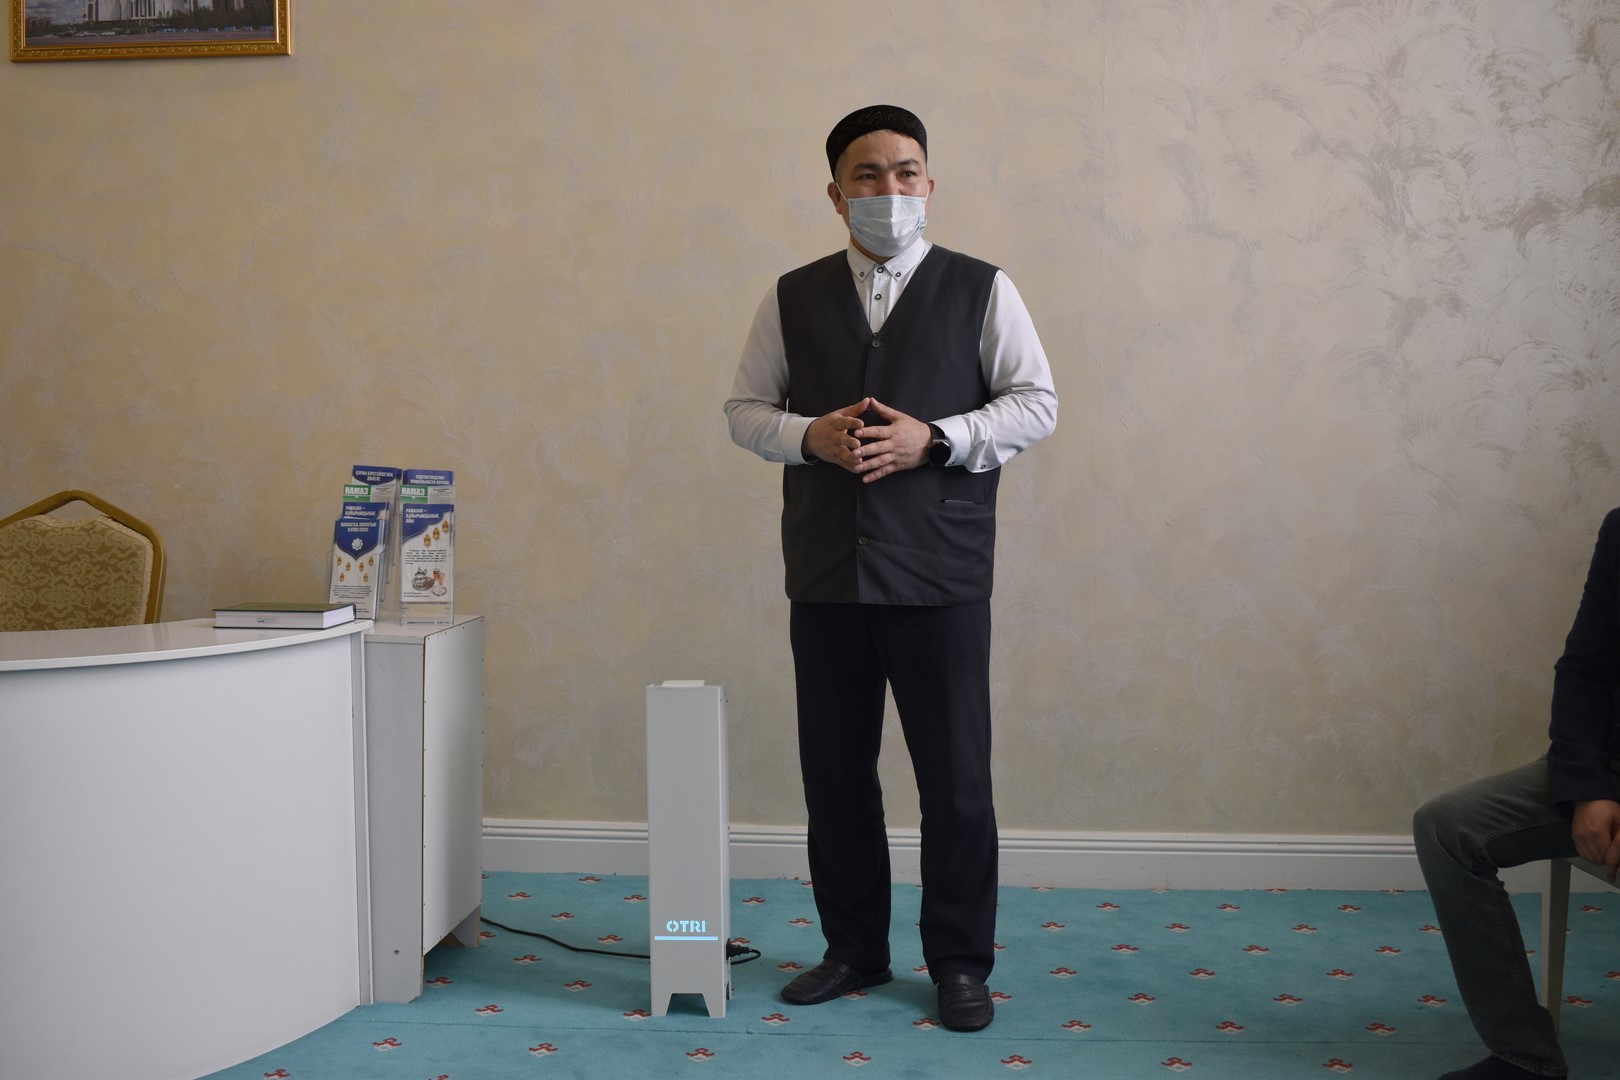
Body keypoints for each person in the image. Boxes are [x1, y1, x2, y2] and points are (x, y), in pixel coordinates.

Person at [723, 104, 1057, 1032]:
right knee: (836, 773)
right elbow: (745, 410)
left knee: (955, 782)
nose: (889, 189)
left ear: (930, 185)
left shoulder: (983, 288)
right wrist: (808, 436)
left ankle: (959, 962)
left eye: (906, 172)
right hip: (828, 571)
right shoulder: (790, 296)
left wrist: (935, 439)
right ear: (836, 195)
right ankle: (853, 950)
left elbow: (1036, 403)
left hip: (940, 571)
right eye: (866, 175)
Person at [1413, 507, 1620, 1080]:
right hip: (1608, 767)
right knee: (1447, 828)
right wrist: (1589, 787)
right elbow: (1586, 669)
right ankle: (1524, 1058)